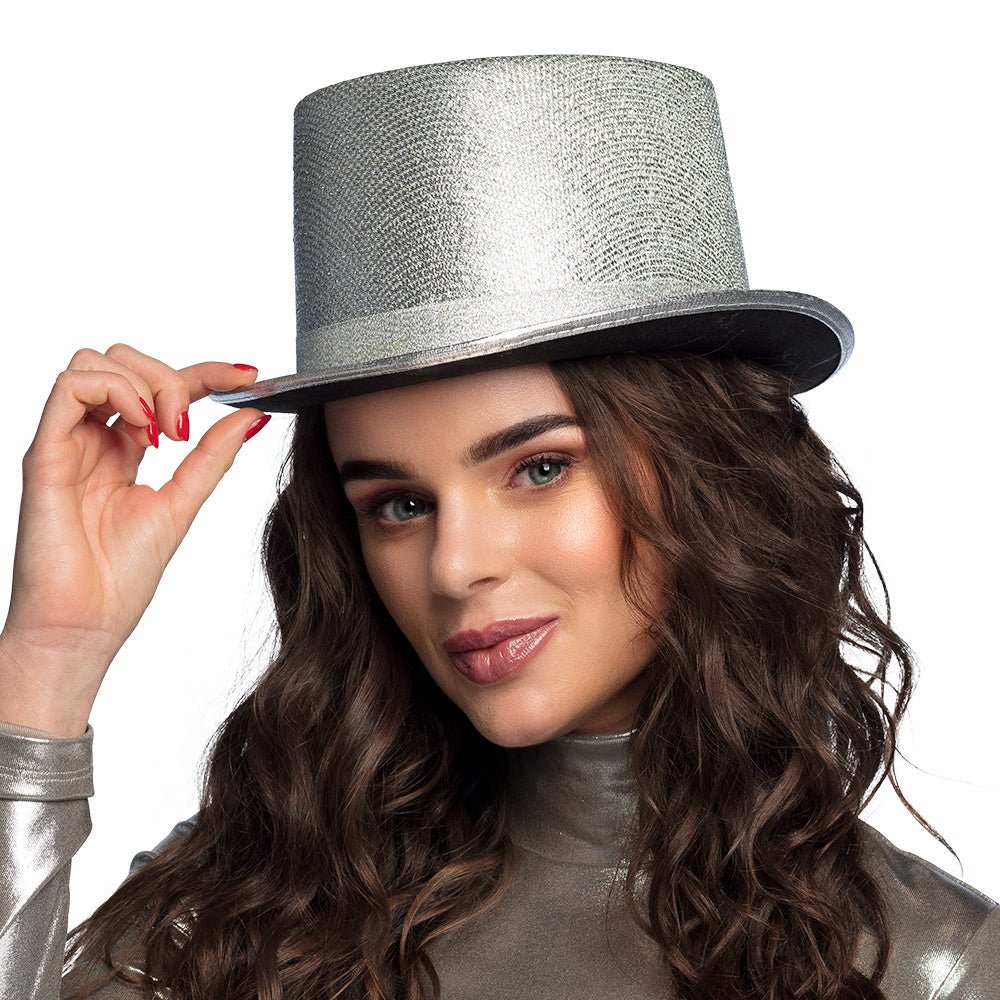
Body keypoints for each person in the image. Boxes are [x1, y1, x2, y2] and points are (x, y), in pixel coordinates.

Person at [1, 53, 997, 1000]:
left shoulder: (927, 965)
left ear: (708, 468)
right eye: (397, 503)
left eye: (540, 468)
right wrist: (47, 665)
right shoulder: (239, 913)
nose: (455, 566)